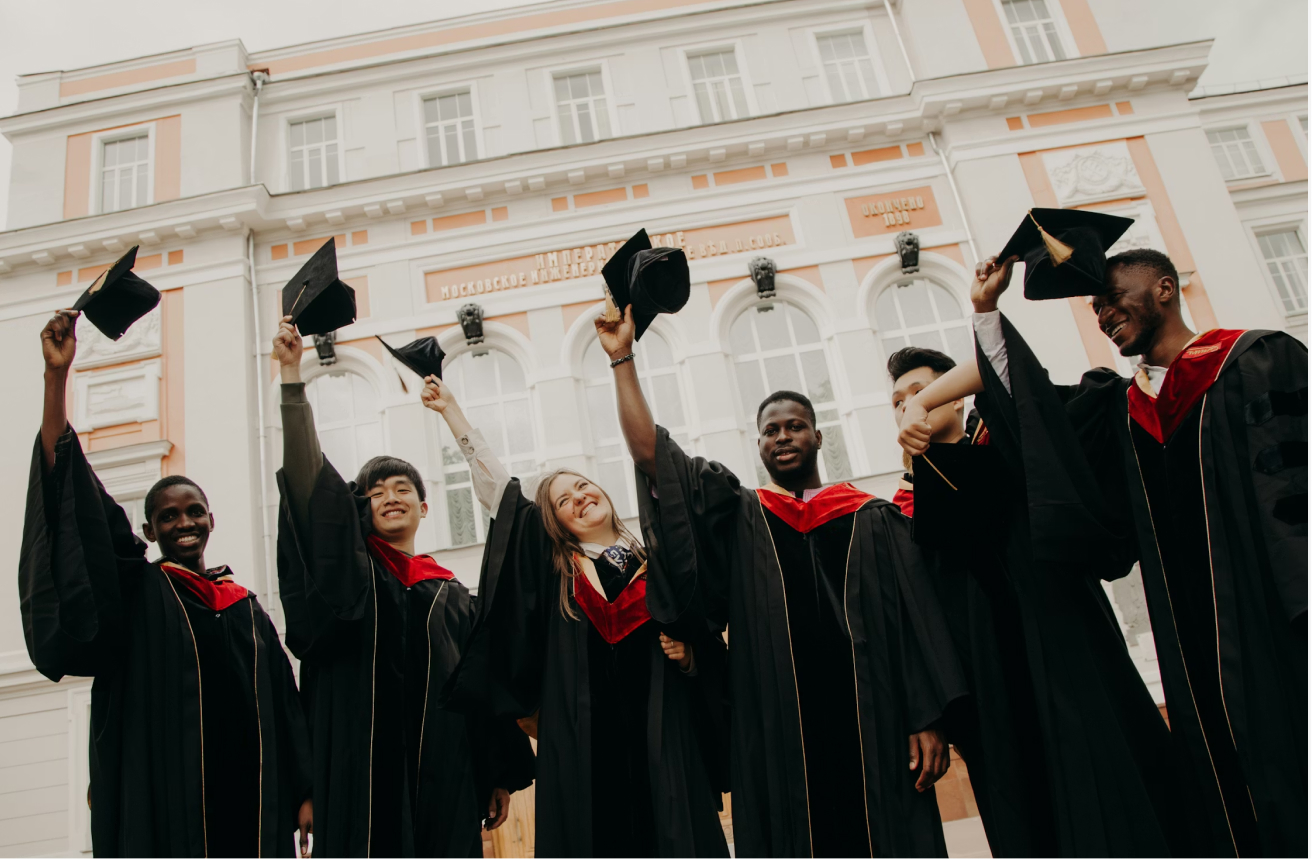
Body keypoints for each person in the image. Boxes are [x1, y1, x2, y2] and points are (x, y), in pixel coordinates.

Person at [900, 248, 1307, 857]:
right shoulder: (1120, 406)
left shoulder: (1257, 359)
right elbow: (1029, 404)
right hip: (1188, 629)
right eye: (1095, 307)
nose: (1102, 314)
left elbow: (1293, 493)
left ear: (1165, 288)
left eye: (1113, 299)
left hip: (1271, 604)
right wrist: (984, 312)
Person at [594, 306, 966, 858]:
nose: (783, 436)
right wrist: (622, 359)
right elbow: (655, 458)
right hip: (775, 728)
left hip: (878, 722)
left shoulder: (874, 519)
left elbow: (915, 628)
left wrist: (926, 719)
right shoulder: (741, 516)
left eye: (795, 426)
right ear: (759, 445)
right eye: (771, 430)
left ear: (818, 436)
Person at [890, 345, 1208, 856]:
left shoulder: (1011, 437)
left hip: (1066, 644)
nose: (911, 408)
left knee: (1107, 780)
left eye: (922, 393)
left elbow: (1004, 363)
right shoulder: (904, 508)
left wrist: (919, 402)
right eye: (898, 403)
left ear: (953, 397)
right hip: (993, 687)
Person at [20, 309, 313, 857]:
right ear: (149, 529)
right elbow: (71, 489)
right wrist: (55, 379)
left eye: (194, 511)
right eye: (170, 516)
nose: (184, 523)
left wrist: (304, 790)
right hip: (162, 803)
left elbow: (286, 707)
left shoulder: (247, 611)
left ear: (211, 520)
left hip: (252, 805)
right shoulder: (137, 593)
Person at [430, 375, 730, 858]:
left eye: (583, 486)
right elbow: (502, 498)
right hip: (583, 743)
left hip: (663, 737)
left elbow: (709, 643)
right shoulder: (561, 577)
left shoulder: (660, 567)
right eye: (563, 502)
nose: (579, 498)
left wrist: (691, 655)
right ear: (555, 524)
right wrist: (453, 414)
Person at [272, 317, 534, 857]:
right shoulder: (349, 578)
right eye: (374, 492)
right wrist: (291, 378)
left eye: (402, 488)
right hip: (354, 778)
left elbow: (480, 691)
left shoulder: (451, 597)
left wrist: (497, 774)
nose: (389, 496)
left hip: (446, 778)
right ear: (357, 509)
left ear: (424, 506)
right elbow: (305, 487)